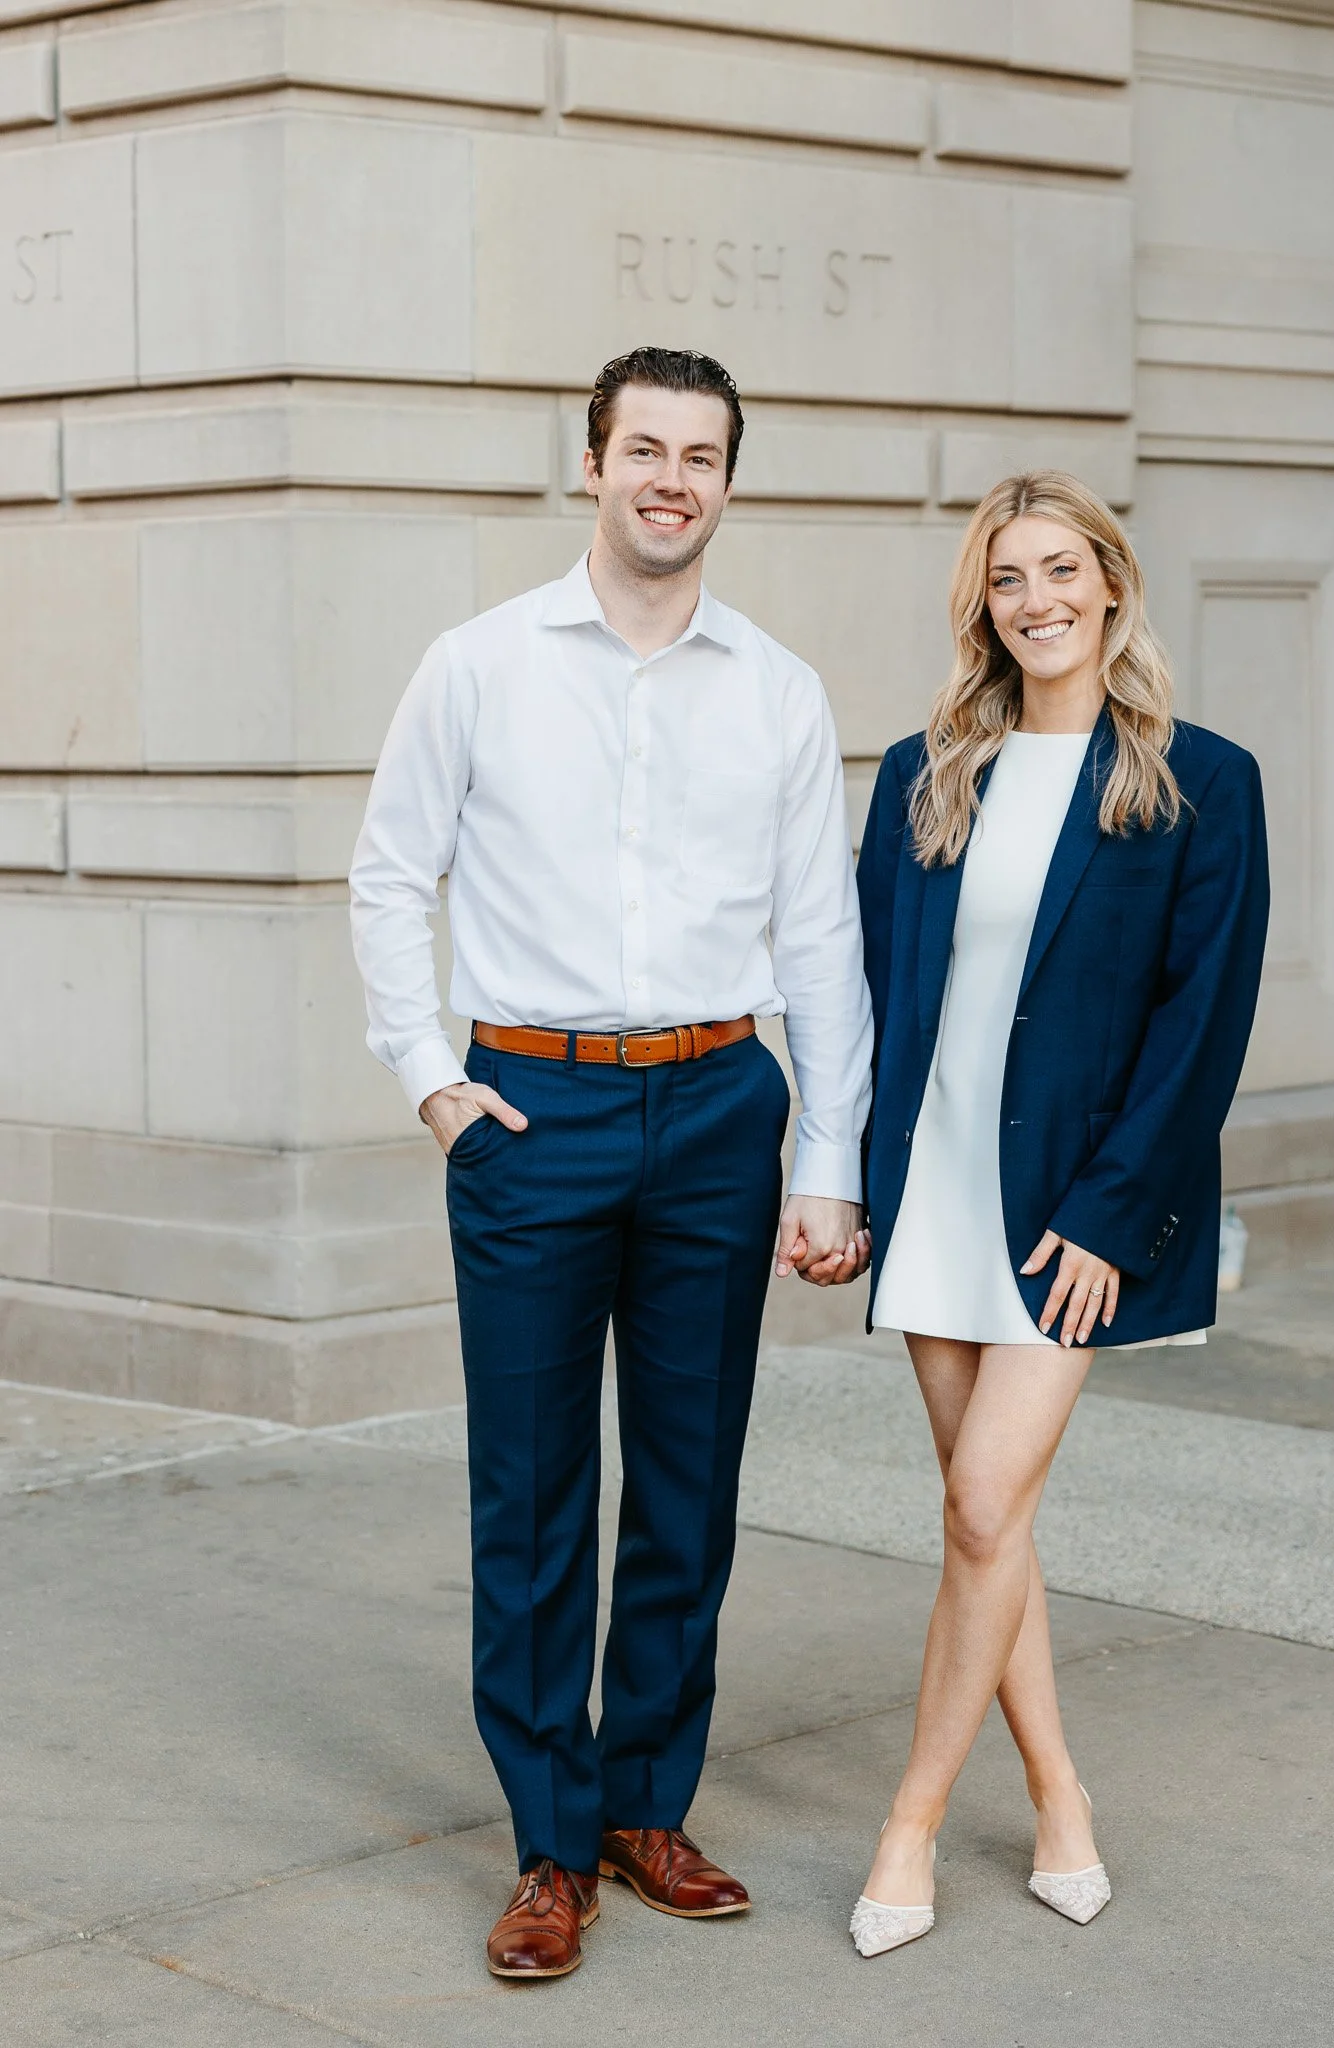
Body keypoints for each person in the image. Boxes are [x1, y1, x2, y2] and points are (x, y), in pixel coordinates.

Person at [349, 346, 872, 1982]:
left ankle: (649, 1801)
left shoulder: (776, 688)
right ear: (592, 464)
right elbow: (386, 876)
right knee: (532, 1494)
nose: (670, 479)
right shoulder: (481, 665)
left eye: (699, 455)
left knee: (689, 1481)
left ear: (727, 480)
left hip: (720, 1108)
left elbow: (820, 938)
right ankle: (547, 1841)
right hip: (532, 1113)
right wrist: (435, 1083)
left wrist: (828, 1158)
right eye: (642, 448)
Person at [849, 471, 1269, 1957]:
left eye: (1058, 571)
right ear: (983, 607)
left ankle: (906, 1823)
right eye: (1005, 579)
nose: (1036, 601)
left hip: (1062, 1214)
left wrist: (1109, 1215)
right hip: (934, 1188)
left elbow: (1199, 1025)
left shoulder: (1198, 780)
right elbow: (873, 999)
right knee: (993, 1522)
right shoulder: (923, 769)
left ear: (1109, 583)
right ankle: (1058, 1793)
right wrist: (841, 1177)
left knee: (976, 1503)